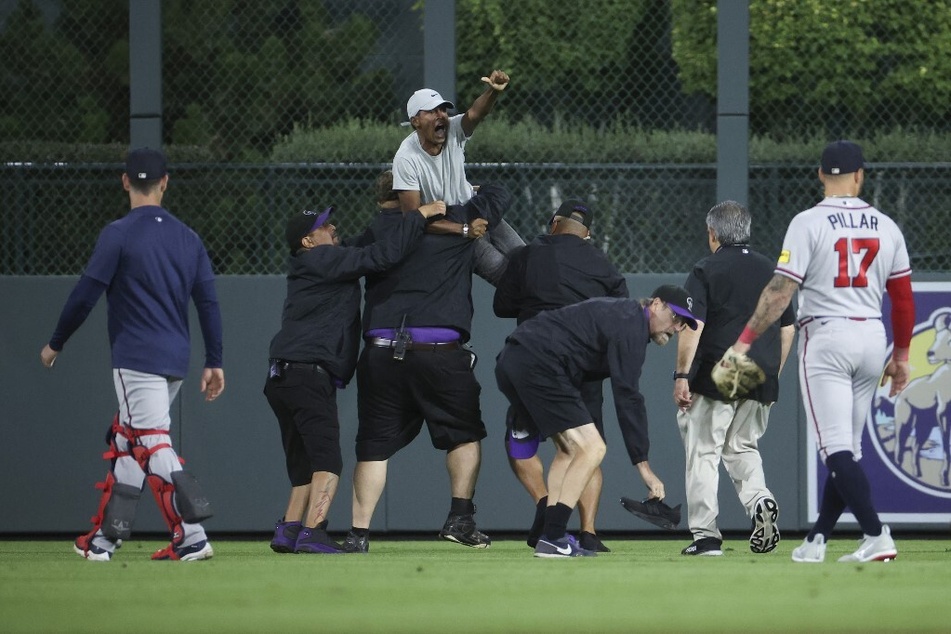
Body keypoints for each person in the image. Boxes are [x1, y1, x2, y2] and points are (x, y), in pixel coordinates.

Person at [720, 140, 914, 563]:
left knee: (835, 449)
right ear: (861, 176)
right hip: (871, 338)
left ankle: (876, 533)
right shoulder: (886, 225)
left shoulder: (808, 222)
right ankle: (818, 540)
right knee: (848, 449)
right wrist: (901, 356)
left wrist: (745, 341)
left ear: (821, 175)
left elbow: (780, 291)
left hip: (827, 338)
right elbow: (902, 299)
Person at [40, 147, 224, 562]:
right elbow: (208, 303)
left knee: (151, 441)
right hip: (175, 360)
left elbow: (86, 293)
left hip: (137, 358)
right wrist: (214, 360)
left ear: (125, 182)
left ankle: (192, 534)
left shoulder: (119, 233)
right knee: (127, 440)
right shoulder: (188, 237)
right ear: (165, 182)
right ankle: (104, 539)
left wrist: (56, 342)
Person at [264, 200, 444, 554]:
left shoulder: (318, 261)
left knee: (304, 462)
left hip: (283, 375)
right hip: (306, 373)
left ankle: (288, 529)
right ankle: (313, 532)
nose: (333, 228)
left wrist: (393, 210)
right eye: (323, 227)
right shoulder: (321, 259)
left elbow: (367, 242)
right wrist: (418, 216)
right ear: (308, 241)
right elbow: (381, 256)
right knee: (328, 462)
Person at [344, 177, 512, 553]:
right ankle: (460, 518)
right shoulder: (459, 225)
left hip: (381, 350)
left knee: (373, 447)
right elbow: (501, 198)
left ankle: (358, 534)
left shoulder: (376, 231)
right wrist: (469, 187)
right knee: (464, 434)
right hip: (439, 351)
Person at [495, 285, 699, 557]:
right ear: (656, 303)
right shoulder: (631, 324)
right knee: (593, 447)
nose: (676, 328)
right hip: (538, 363)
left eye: (683, 323)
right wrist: (644, 468)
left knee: (569, 450)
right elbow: (627, 397)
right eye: (675, 317)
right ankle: (554, 537)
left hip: (517, 359)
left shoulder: (623, 317)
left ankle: (548, 532)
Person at [493, 199, 628, 553]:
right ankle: (588, 531)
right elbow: (620, 313)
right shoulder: (603, 263)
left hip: (536, 361)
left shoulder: (527, 255)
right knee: (588, 448)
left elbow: (502, 305)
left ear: (554, 223)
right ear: (588, 234)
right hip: (584, 366)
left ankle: (545, 502)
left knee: (520, 442)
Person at [672, 200, 796, 557]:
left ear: (713, 234)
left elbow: (694, 326)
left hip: (721, 367)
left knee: (704, 452)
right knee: (741, 447)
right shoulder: (772, 269)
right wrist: (773, 372)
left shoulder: (705, 269)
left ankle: (706, 537)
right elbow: (787, 330)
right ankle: (760, 503)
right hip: (762, 372)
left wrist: (682, 374)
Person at [393, 69, 525, 285]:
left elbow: (475, 113)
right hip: (454, 225)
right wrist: (464, 230)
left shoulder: (453, 129)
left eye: (443, 110)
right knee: (508, 278)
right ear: (415, 121)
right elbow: (413, 220)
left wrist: (492, 91)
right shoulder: (406, 158)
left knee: (528, 259)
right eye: (432, 111)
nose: (441, 115)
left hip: (476, 208)